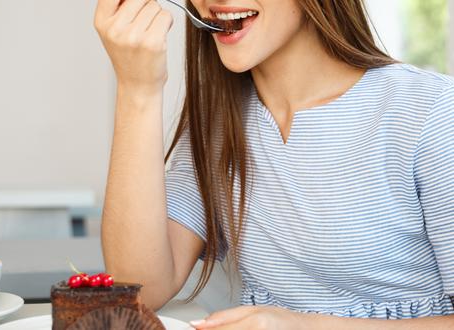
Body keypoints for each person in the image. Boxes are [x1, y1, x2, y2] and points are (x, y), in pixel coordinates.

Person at [94, 0, 454, 328]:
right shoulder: (218, 124)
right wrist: (138, 89)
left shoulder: (431, 112)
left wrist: (303, 326)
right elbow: (140, 288)